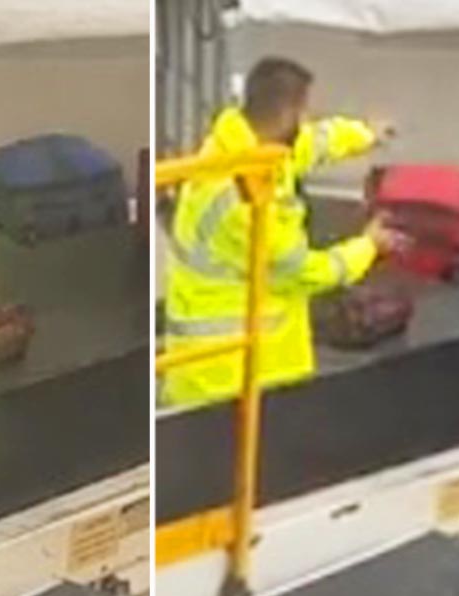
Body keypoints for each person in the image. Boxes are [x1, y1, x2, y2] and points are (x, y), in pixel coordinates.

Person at [161, 56, 402, 406]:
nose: (308, 121)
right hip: (233, 377)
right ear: (290, 112)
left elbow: (310, 144)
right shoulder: (250, 204)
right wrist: (369, 245)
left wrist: (365, 135)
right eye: (305, 112)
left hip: (212, 365)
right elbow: (304, 272)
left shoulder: (236, 145)